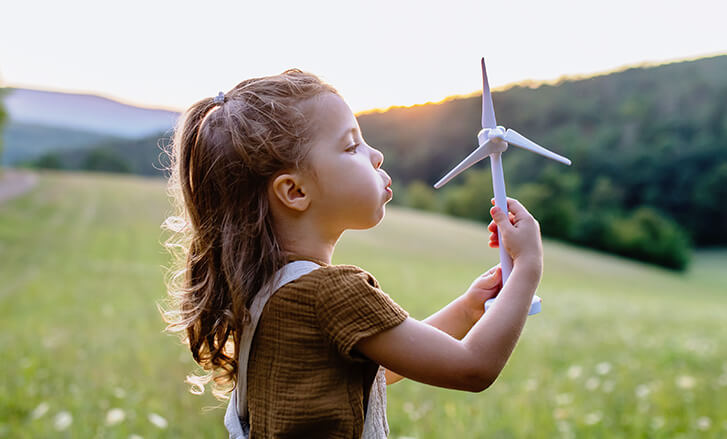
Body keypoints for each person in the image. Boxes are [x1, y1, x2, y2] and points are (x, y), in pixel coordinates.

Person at [160, 69, 543, 438]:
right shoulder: (332, 293)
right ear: (295, 192)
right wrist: (527, 266)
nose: (375, 155)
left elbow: (379, 367)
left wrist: (468, 309)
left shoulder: (267, 291)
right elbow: (472, 369)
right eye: (351, 145)